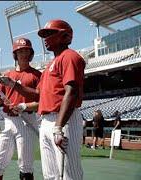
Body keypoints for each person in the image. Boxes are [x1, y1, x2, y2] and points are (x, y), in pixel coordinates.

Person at [0, 37, 41, 180]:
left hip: (27, 120)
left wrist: (24, 106)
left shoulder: (37, 75)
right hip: (8, 120)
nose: (23, 53)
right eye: (20, 51)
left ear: (31, 53)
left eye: (26, 50)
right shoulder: (7, 75)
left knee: (26, 165)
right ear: (15, 54)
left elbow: (42, 102)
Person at [36, 19, 85, 180]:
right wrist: (13, 85)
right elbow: (38, 93)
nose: (45, 38)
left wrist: (58, 126)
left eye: (50, 33)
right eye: (44, 35)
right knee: (50, 175)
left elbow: (72, 92)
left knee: (70, 174)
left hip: (64, 120)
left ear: (64, 36)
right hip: (47, 121)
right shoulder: (51, 63)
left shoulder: (70, 56)